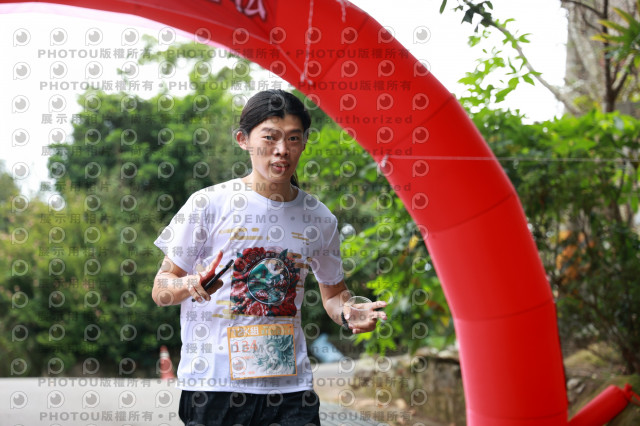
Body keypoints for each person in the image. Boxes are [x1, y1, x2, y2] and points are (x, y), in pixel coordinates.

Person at [152, 89, 387, 426]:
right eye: (270, 137)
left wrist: (349, 311)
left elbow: (334, 294)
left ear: (304, 142)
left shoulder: (319, 218)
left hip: (291, 393)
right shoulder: (208, 205)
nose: (282, 149)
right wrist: (190, 284)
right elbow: (161, 287)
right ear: (243, 140)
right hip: (214, 387)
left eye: (293, 138)